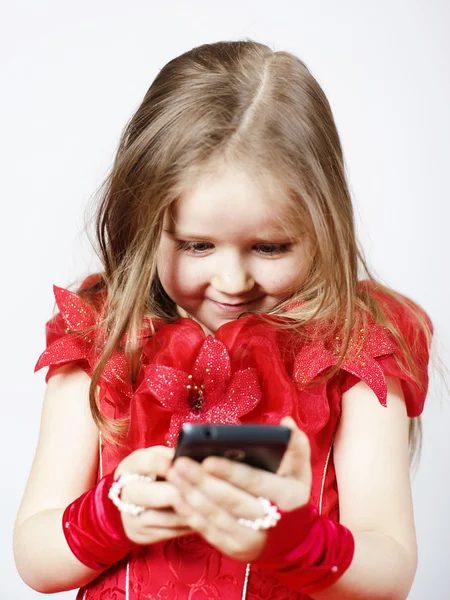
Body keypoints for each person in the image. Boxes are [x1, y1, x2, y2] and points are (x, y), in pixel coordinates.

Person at [13, 40, 432, 600]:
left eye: (271, 246)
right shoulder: (103, 334)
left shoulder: (355, 344)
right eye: (197, 244)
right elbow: (35, 556)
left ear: (324, 223)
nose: (232, 281)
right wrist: (112, 516)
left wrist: (294, 540)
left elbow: (391, 568)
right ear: (143, 222)